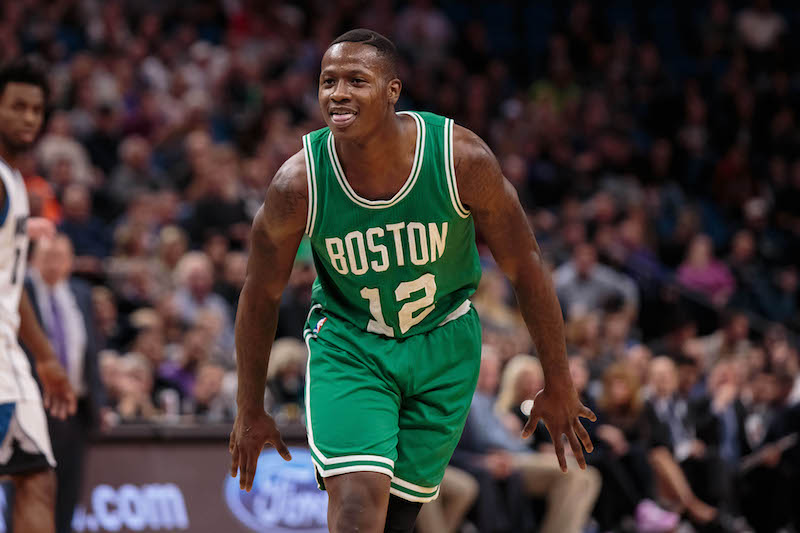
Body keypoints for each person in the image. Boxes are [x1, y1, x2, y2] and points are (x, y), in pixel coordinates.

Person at [229, 29, 595, 533]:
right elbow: (260, 292)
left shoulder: (460, 159)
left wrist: (559, 379)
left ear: (392, 91)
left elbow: (526, 265)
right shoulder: (299, 184)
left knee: (398, 521)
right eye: (328, 81)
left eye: (356, 80)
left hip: (443, 342)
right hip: (351, 344)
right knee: (357, 508)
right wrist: (250, 406)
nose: (338, 93)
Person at [0, 57, 77, 533]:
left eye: (37, 109)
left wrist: (46, 359)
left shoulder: (14, 180)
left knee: (34, 475)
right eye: (17, 107)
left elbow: (11, 284)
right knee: (34, 477)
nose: (29, 118)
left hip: (12, 354)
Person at [25, 234, 105, 533]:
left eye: (61, 257)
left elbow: (91, 352)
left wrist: (99, 401)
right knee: (33, 488)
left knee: (69, 490)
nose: (54, 263)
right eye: (48, 256)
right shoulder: (22, 292)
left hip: (75, 409)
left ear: (71, 262)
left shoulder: (80, 293)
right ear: (34, 259)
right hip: (36, 406)